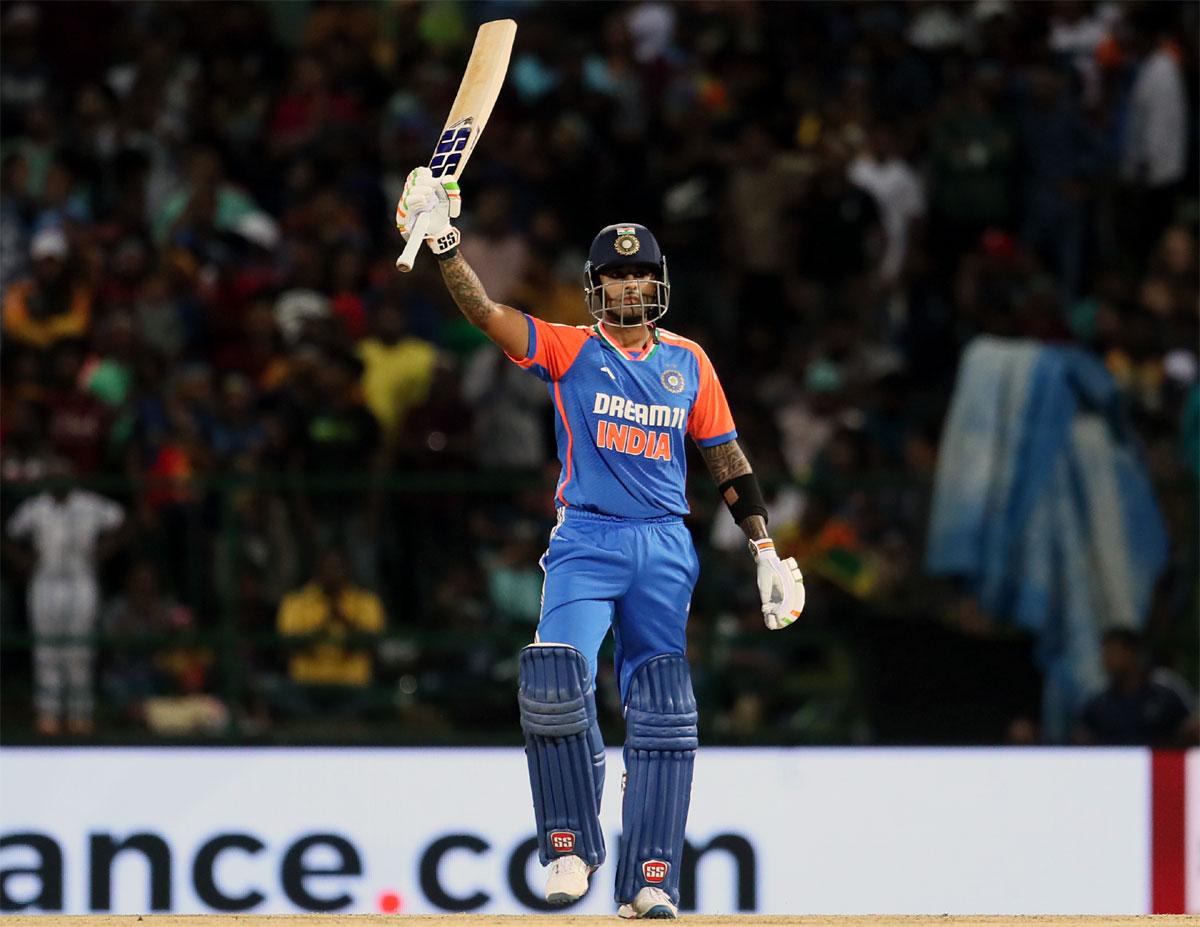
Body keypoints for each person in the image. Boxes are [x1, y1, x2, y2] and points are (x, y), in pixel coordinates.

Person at [396, 167, 806, 919]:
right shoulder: (569, 350)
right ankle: (568, 848)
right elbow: (486, 313)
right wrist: (447, 245)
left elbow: (726, 458)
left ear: (657, 284)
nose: (626, 289)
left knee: (662, 707)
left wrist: (763, 549)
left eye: (638, 276)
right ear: (595, 287)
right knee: (554, 681)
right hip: (586, 537)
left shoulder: (690, 362)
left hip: (664, 544)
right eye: (614, 278)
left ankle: (652, 875)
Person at [3, 457, 126, 735]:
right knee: (46, 648)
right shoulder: (36, 507)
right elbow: (10, 534)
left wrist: (105, 549)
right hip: (45, 580)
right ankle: (48, 713)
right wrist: (22, 560)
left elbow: (123, 521)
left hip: (81, 578)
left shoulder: (89, 504)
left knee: (79, 648)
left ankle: (79, 713)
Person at [1074, 628, 1197, 747]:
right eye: (1105, 654)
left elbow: (1192, 724)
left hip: (1161, 764)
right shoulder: (1098, 698)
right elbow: (1083, 734)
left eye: (1113, 653)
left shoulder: (1166, 687)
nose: (1106, 660)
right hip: (1114, 765)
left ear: (1132, 654)